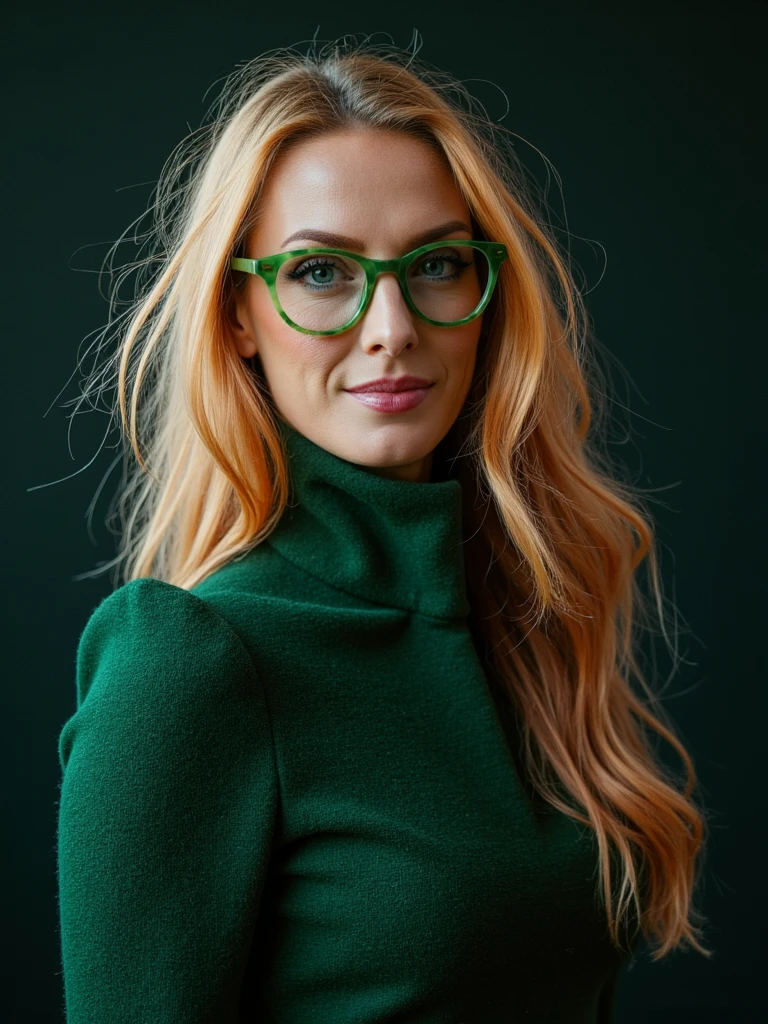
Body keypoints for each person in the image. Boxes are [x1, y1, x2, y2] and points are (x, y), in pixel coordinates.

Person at [55, 35, 712, 1023]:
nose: (392, 324)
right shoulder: (191, 660)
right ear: (240, 312)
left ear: (487, 298)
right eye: (321, 271)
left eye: (438, 264)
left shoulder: (523, 623)